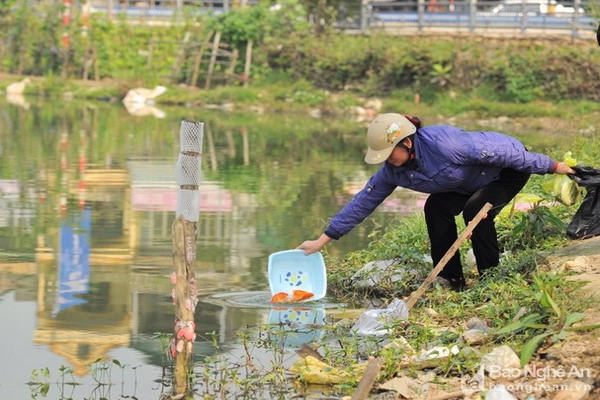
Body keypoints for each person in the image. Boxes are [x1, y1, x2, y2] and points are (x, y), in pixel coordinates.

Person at [297, 113, 575, 291]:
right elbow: (364, 202)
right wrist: (322, 241)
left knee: (476, 210)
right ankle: (451, 278)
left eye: (389, 152)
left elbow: (508, 155)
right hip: (464, 183)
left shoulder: (446, 144)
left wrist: (554, 166)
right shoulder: (393, 171)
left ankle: (491, 278)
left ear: (406, 142)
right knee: (436, 208)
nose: (386, 159)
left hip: (505, 172)